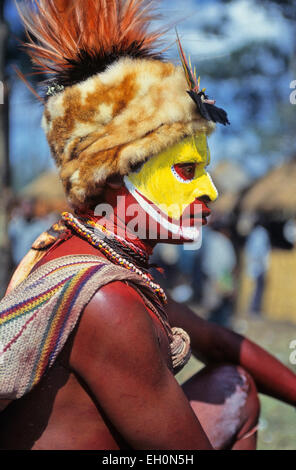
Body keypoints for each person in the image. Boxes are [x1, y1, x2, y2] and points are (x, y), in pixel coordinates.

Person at [0, 0, 295, 451]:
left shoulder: (96, 258)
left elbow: (217, 342)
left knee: (236, 383)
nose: (210, 191)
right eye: (186, 171)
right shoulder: (105, 300)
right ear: (114, 175)